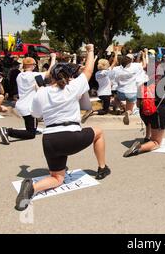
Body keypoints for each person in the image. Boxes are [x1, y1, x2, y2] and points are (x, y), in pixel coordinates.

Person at [15, 44, 110, 211]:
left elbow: (36, 115)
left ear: (50, 76)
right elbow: (88, 71)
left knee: (57, 178)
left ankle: (32, 188)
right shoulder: (72, 88)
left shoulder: (41, 92)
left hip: (50, 139)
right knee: (99, 132)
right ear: (67, 76)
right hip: (71, 136)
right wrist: (90, 51)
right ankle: (102, 168)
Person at [123, 49, 165, 157]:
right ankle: (139, 148)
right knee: (157, 142)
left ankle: (147, 136)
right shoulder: (164, 80)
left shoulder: (143, 82)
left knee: (149, 122)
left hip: (144, 110)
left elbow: (138, 102)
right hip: (159, 111)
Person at [0, 54, 56, 145]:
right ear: (32, 65)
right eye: (34, 65)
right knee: (30, 134)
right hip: (29, 108)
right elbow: (50, 72)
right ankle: (7, 131)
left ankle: (31, 128)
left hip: (22, 105)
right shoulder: (34, 75)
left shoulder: (20, 76)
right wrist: (53, 58)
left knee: (33, 124)